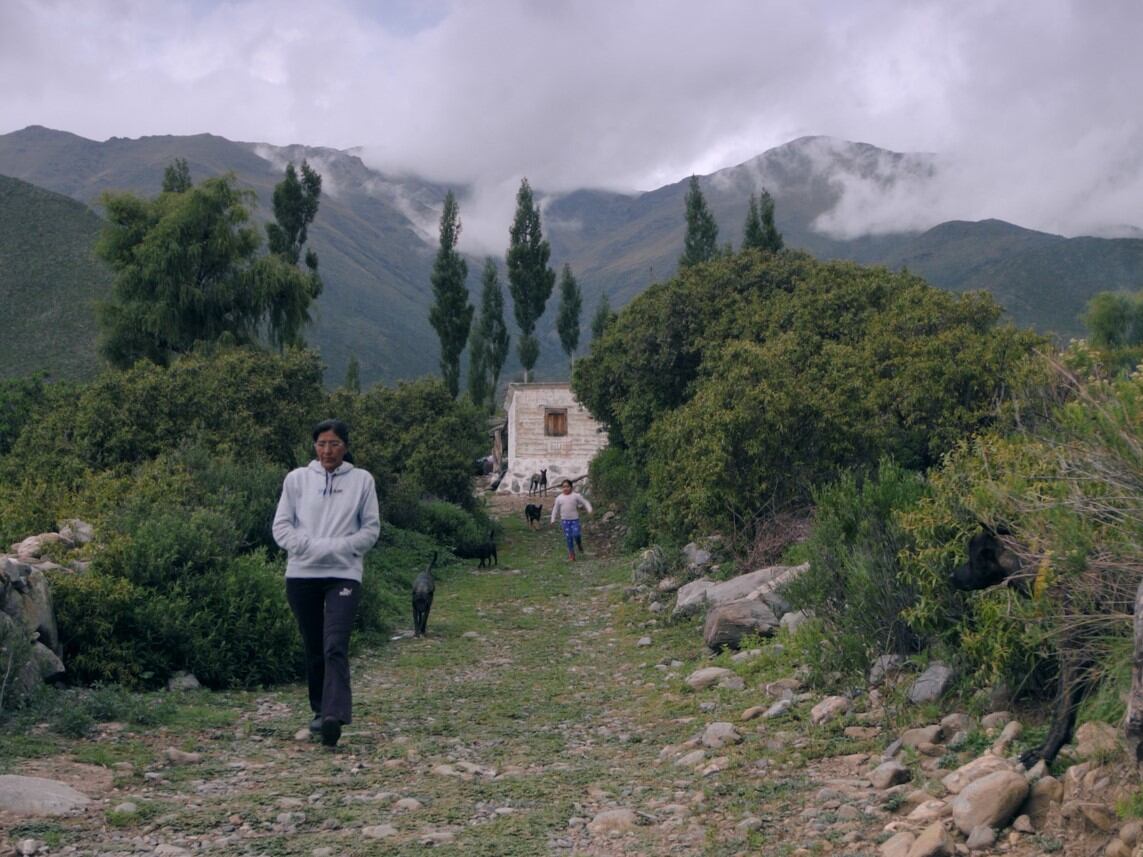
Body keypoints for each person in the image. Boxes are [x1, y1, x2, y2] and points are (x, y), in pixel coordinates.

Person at [272, 419, 380, 748]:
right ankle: (320, 711)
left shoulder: (362, 481)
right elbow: (281, 527)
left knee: (335, 643)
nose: (327, 451)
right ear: (314, 446)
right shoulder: (297, 480)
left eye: (334, 444)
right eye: (321, 444)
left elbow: (371, 530)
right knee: (314, 645)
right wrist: (310, 547)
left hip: (343, 574)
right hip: (302, 575)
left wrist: (339, 548)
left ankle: (333, 716)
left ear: (345, 446)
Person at [549, 478, 593, 561]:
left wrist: (589, 509)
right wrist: (552, 519)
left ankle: (579, 545)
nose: (565, 488)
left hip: (575, 520)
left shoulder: (576, 496)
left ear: (571, 487)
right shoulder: (559, 498)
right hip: (565, 521)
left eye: (567, 486)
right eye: (563, 487)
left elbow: (585, 502)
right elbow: (555, 509)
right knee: (569, 538)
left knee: (576, 534)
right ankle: (572, 555)